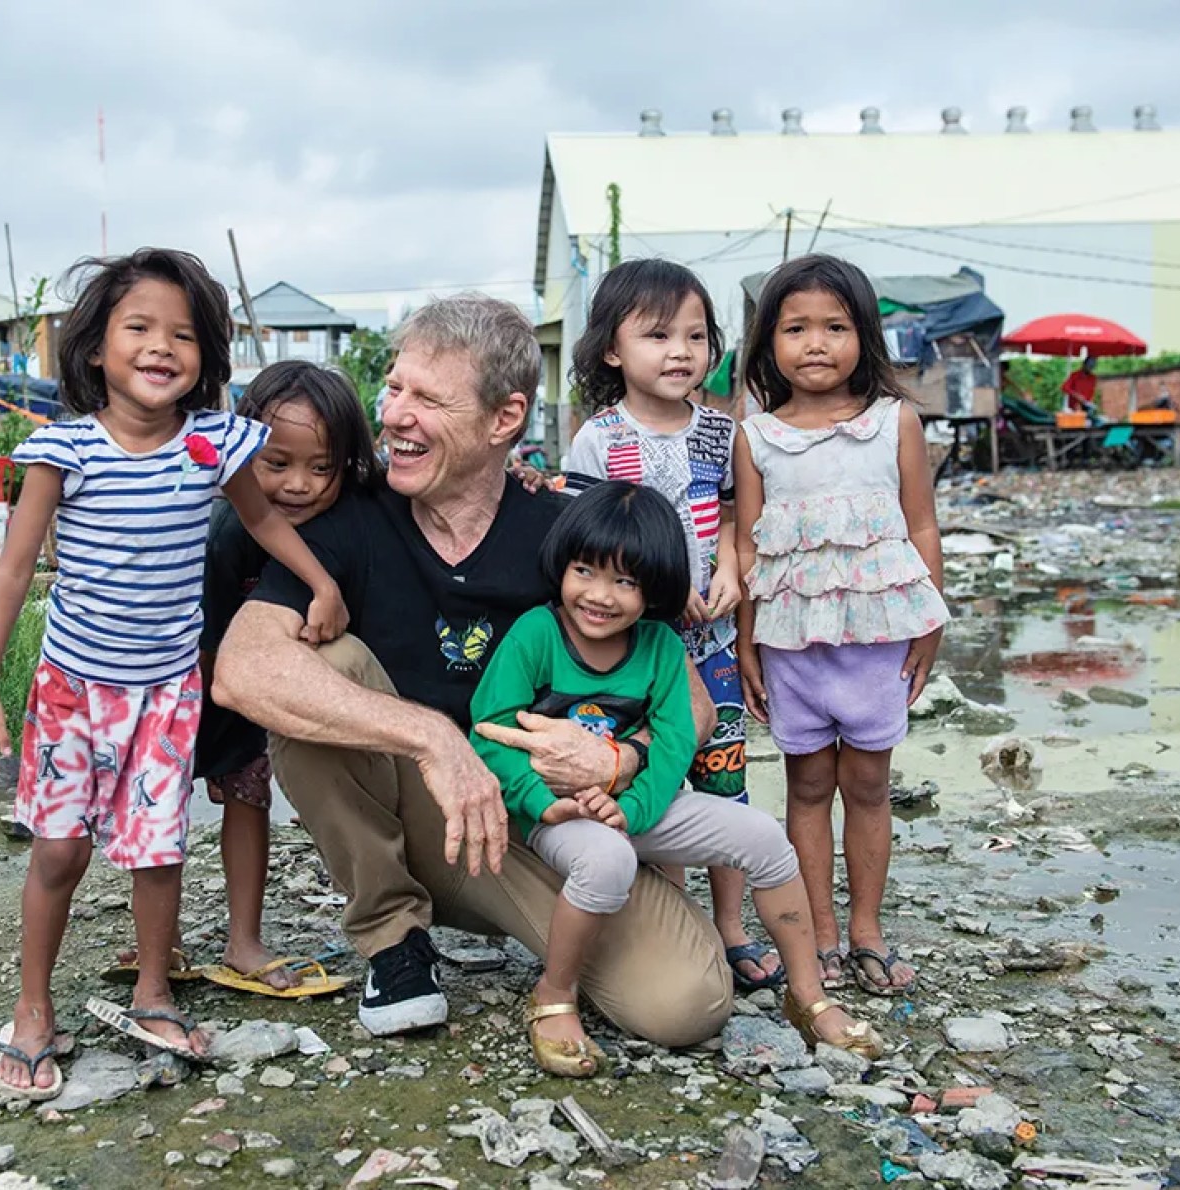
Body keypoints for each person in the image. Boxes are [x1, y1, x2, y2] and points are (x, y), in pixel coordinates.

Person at [212, 294, 735, 1046]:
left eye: (426, 397)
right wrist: (434, 739)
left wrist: (620, 759)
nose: (392, 415)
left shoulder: (567, 534)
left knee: (685, 1005)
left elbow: (693, 706)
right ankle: (394, 938)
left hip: (531, 825)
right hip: (407, 810)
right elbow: (244, 669)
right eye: (393, 389)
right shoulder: (348, 519)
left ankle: (540, 926)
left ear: (503, 420)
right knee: (322, 661)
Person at [0, 248, 349, 1101]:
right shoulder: (63, 450)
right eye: (139, 328)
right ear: (96, 347)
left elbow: (263, 523)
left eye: (182, 334)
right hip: (72, 690)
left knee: (156, 851)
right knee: (59, 852)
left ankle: (153, 994)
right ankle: (32, 1009)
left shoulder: (215, 445)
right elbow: (15, 572)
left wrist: (321, 582)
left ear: (204, 356)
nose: (160, 346)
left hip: (168, 690)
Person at [472, 482, 883, 1076]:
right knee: (607, 861)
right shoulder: (537, 634)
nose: (600, 596)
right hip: (553, 813)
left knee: (766, 840)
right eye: (584, 571)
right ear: (561, 565)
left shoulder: (660, 647)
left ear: (656, 589)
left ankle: (808, 994)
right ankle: (554, 994)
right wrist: (539, 800)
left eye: (626, 582)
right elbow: (489, 733)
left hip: (634, 803)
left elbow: (671, 746)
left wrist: (632, 808)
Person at [733, 254, 949, 998]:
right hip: (791, 640)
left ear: (866, 337)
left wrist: (930, 626)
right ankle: (819, 932)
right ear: (768, 344)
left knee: (867, 784)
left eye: (835, 326)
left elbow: (921, 529)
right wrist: (745, 642)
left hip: (879, 636)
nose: (815, 344)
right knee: (806, 784)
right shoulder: (757, 436)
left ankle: (866, 930)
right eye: (795, 328)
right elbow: (748, 546)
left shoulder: (896, 423)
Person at [559, 260, 771, 994]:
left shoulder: (719, 431)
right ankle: (673, 926)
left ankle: (733, 927)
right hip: (636, 651)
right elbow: (587, 546)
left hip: (710, 641)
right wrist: (660, 588)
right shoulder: (598, 439)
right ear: (612, 350)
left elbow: (741, 516)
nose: (680, 351)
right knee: (652, 781)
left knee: (722, 783)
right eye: (656, 335)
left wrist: (730, 573)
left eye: (694, 335)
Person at [192, 361, 382, 996]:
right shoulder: (227, 533)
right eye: (277, 465)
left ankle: (243, 939)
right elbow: (211, 638)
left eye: (320, 467)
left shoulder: (352, 518)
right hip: (201, 682)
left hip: (278, 689)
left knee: (249, 802)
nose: (298, 485)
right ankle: (155, 941)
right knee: (159, 807)